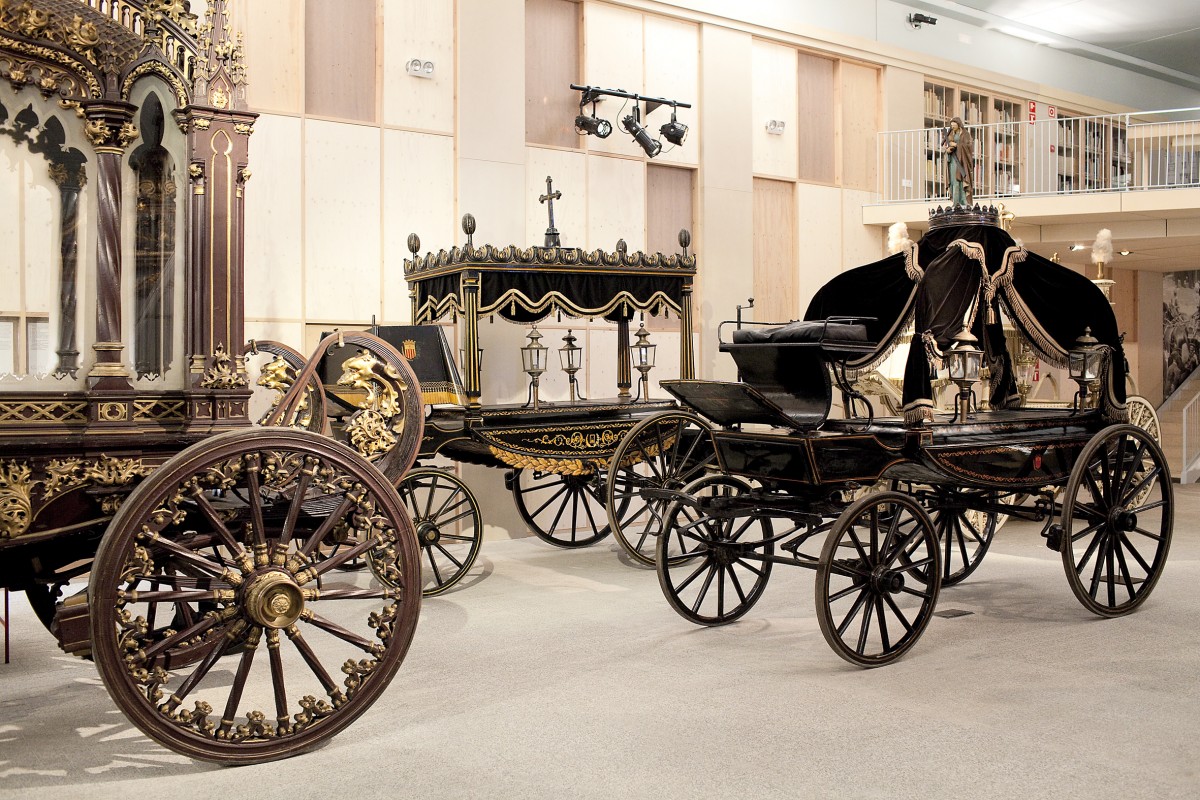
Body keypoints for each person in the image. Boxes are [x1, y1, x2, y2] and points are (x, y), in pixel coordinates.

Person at [943, 116, 974, 207]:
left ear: (958, 124)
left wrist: (957, 145)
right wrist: (948, 151)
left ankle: (963, 200)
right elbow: (946, 146)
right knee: (953, 180)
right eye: (951, 126)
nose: (953, 127)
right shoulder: (950, 134)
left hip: (962, 161)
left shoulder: (965, 134)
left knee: (961, 179)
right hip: (952, 160)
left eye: (954, 125)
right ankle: (955, 201)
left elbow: (968, 146)